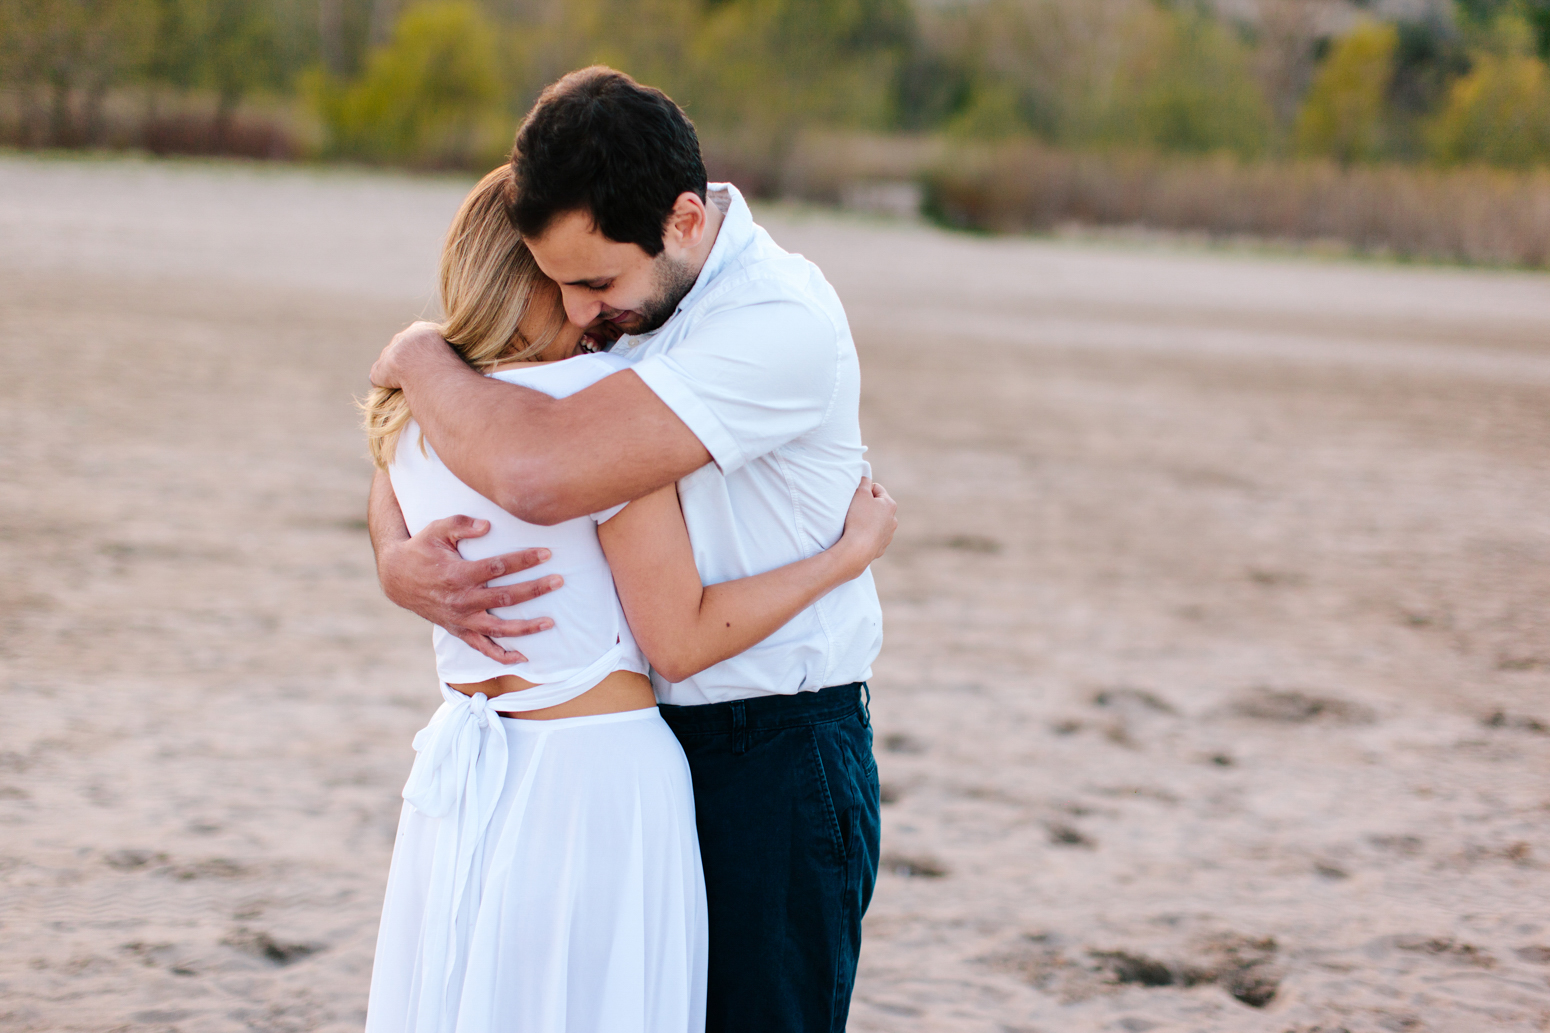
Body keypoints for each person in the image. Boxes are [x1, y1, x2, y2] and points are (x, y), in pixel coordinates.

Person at [368, 67, 886, 1032]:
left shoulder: (775, 325)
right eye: (553, 282)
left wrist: (414, 356)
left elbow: (534, 471)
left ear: (686, 221)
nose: (575, 313)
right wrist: (396, 556)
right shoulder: (616, 312)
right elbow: (454, 451)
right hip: (638, 744)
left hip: (770, 747)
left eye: (595, 282)